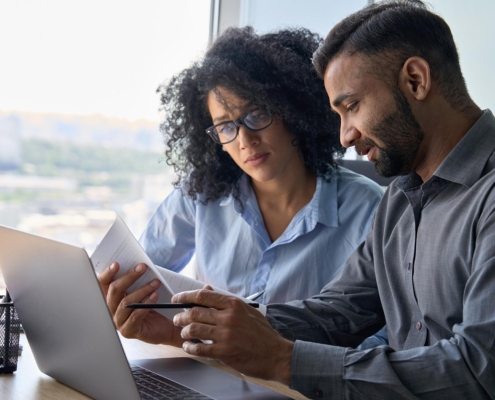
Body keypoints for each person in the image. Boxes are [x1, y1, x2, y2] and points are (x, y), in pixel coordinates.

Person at [100, 1, 495, 398]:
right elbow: (338, 311)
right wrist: (189, 328)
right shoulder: (400, 201)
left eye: (352, 106)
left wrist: (284, 361)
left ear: (415, 80)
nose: (345, 136)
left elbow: (479, 370)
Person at [130, 26, 383, 307]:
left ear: (294, 112)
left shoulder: (368, 209)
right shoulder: (201, 193)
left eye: (257, 114)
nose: (245, 140)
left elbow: (385, 335)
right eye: (226, 127)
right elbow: (140, 275)